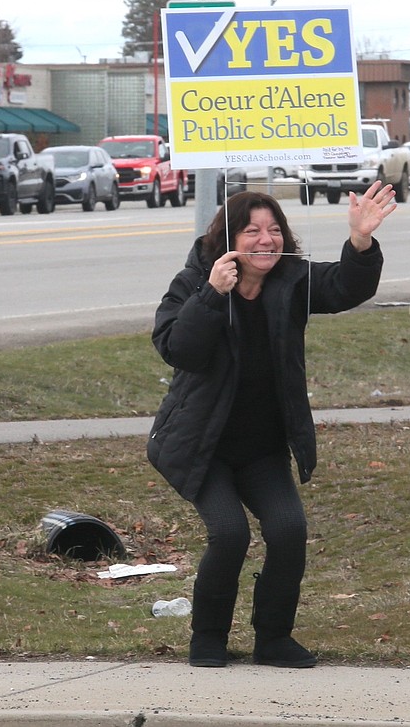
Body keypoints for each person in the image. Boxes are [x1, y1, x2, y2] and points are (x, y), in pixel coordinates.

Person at [148, 181, 396, 669]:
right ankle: (209, 636)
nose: (265, 240)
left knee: (288, 530)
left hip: (261, 448)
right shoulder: (194, 283)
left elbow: (347, 285)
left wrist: (360, 241)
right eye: (252, 231)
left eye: (273, 230)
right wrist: (212, 296)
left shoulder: (291, 282)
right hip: (203, 446)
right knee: (230, 533)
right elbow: (180, 350)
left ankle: (274, 638)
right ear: (228, 239)